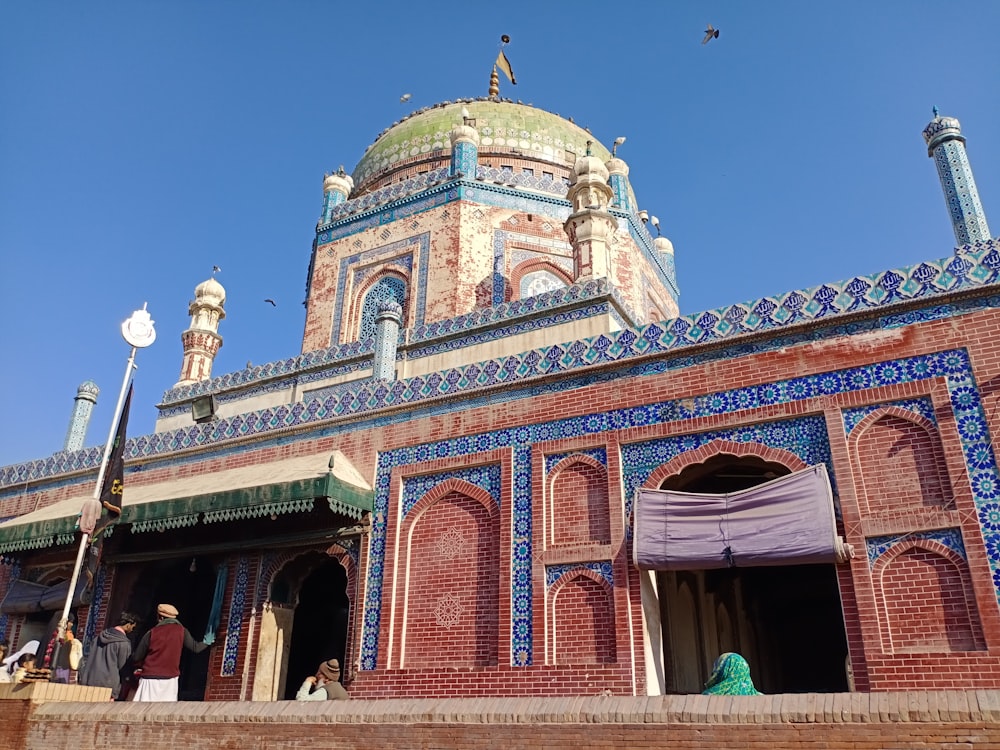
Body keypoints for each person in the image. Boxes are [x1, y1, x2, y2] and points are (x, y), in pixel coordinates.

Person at [131, 603, 214, 702]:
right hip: (170, 680)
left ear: (160, 617)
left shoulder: (152, 632)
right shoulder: (182, 631)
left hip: (149, 679)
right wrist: (207, 641)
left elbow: (137, 657)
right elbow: (196, 648)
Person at [80, 611, 139, 699]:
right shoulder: (123, 643)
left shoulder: (99, 637)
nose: (132, 630)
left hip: (90, 680)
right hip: (108, 685)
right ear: (128, 625)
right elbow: (123, 667)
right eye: (132, 627)